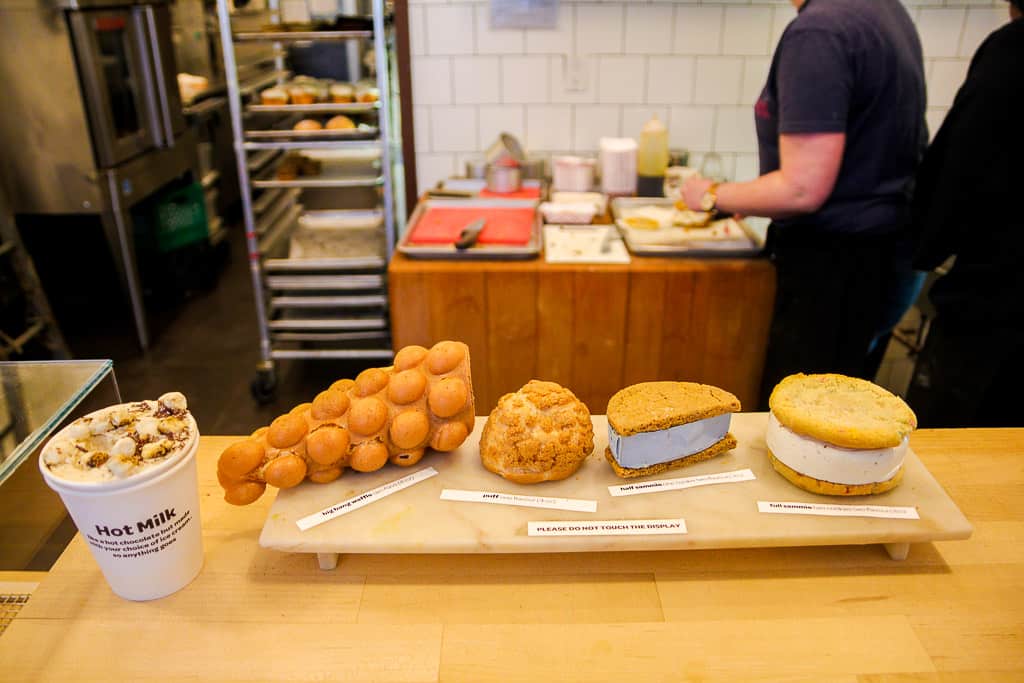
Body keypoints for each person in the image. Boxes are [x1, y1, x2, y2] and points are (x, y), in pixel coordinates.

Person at [680, 0, 927, 408]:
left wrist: (710, 194)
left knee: (799, 420)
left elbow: (801, 189)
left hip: (831, 272)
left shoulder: (820, 31)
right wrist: (749, 198)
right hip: (879, 258)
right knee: (841, 416)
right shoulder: (884, 11)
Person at [905, 0, 1024, 427]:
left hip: (997, 298)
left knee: (950, 447)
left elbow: (960, 162)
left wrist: (925, 245)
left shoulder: (1013, 51)